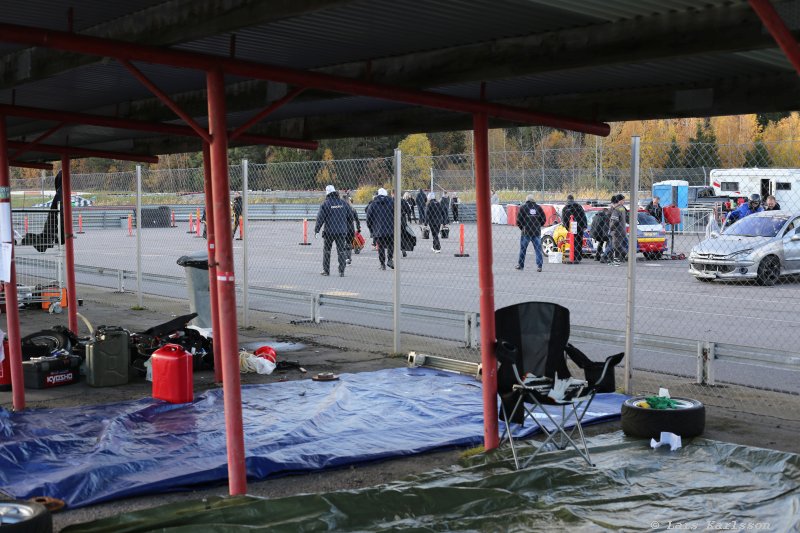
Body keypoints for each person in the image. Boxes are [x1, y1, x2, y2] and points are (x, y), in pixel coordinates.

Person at [314, 184, 353, 277]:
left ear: (327, 193)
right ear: (335, 192)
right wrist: (345, 224)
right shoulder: (344, 203)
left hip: (329, 232)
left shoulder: (325, 204)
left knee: (327, 251)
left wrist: (317, 230)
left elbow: (320, 218)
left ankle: (326, 271)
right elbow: (350, 217)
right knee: (341, 251)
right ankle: (341, 271)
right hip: (341, 232)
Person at [515, 194, 546, 272]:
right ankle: (539, 266)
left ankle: (521, 265)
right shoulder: (538, 208)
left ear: (527, 200)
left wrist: (523, 228)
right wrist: (538, 225)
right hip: (536, 232)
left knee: (523, 249)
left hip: (526, 232)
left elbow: (518, 221)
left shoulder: (523, 208)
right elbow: (543, 219)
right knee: (538, 249)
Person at [366, 188, 395, 270]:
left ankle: (382, 264)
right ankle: (390, 259)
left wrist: (371, 229)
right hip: (390, 229)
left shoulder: (373, 204)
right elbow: (397, 215)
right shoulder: (392, 203)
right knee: (390, 245)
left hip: (378, 230)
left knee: (381, 247)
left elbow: (368, 219)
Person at [561, 194, 588, 262]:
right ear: (573, 199)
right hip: (580, 227)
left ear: (567, 200)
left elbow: (564, 219)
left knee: (574, 242)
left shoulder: (565, 208)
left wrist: (567, 227)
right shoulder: (579, 206)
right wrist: (584, 226)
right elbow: (583, 216)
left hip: (572, 227)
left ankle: (574, 257)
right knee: (579, 241)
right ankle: (578, 257)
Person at [608, 194, 628, 266]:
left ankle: (624, 254)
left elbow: (614, 221)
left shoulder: (616, 209)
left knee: (616, 246)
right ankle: (616, 261)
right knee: (616, 245)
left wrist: (611, 228)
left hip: (617, 230)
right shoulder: (622, 208)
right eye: (623, 200)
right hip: (622, 230)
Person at [344, 195, 361, 264]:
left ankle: (346, 257)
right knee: (349, 243)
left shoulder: (342, 209)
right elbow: (357, 220)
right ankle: (349, 257)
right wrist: (358, 228)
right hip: (351, 229)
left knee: (344, 243)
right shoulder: (353, 209)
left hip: (343, 228)